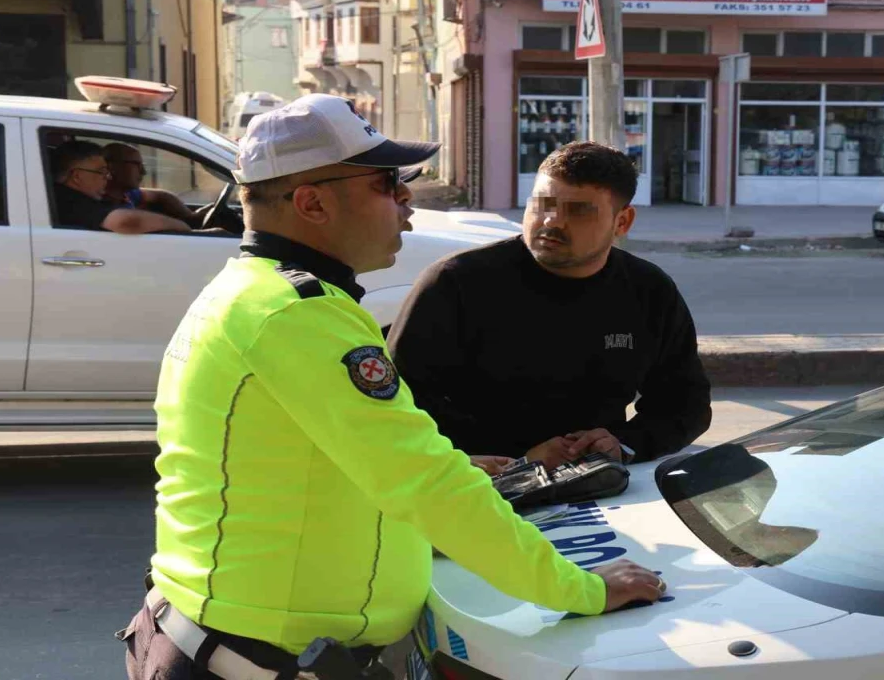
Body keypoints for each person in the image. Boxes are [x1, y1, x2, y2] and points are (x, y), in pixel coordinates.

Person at [120, 96, 664, 680]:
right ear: (312, 202)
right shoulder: (295, 314)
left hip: (230, 644)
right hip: (247, 661)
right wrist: (579, 589)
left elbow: (317, 465)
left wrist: (448, 470)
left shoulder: (267, 293)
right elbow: (425, 483)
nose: (407, 200)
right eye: (386, 184)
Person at [387, 141, 712, 470]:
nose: (552, 222)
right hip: (478, 488)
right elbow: (399, 405)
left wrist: (623, 444)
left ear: (622, 222)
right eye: (542, 204)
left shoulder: (649, 290)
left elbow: (686, 403)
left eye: (579, 210)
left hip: (600, 486)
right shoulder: (454, 283)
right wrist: (521, 461)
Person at [51, 140, 192, 234]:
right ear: (77, 177)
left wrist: (189, 218)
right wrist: (186, 229)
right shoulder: (66, 200)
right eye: (102, 172)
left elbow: (159, 196)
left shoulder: (75, 196)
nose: (108, 177)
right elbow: (127, 222)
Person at [103, 143, 206, 227]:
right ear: (112, 167)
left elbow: (162, 196)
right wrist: (189, 229)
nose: (143, 172)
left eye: (142, 165)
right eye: (136, 165)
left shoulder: (126, 193)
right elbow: (131, 223)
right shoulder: (104, 205)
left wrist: (190, 217)